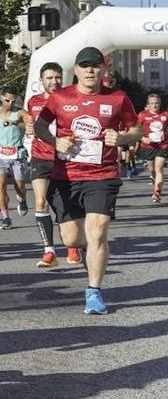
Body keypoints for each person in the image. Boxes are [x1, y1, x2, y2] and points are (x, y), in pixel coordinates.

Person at [35, 46, 140, 315]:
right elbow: (39, 125)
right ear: (77, 71)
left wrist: (124, 138)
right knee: (72, 237)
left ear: (103, 69)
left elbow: (135, 129)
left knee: (98, 231)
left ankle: (94, 291)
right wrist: (56, 140)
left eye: (95, 65)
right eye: (84, 66)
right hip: (66, 175)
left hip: (102, 175)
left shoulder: (117, 98)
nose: (90, 70)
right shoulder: (59, 97)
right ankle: (84, 252)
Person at [21, 63, 73, 267]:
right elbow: (24, 115)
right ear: (41, 81)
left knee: (65, 205)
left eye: (58, 77)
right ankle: (49, 251)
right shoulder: (34, 102)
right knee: (40, 202)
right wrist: (25, 121)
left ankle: (72, 244)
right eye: (49, 78)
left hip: (64, 159)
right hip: (40, 158)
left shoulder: (70, 100)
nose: (54, 81)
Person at [0, 89, 29, 229]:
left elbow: (30, 126)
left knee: (19, 187)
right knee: (1, 186)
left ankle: (22, 199)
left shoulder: (20, 113)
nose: (11, 103)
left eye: (14, 101)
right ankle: (5, 217)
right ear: (1, 98)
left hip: (16, 154)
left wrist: (16, 123)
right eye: (8, 100)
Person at [138, 91, 167, 203]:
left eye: (157, 103)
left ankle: (157, 193)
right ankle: (153, 179)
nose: (155, 105)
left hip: (162, 145)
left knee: (159, 168)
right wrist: (142, 138)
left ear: (160, 103)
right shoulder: (143, 115)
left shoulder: (165, 115)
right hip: (148, 146)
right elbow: (135, 130)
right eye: (152, 103)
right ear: (148, 104)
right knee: (152, 170)